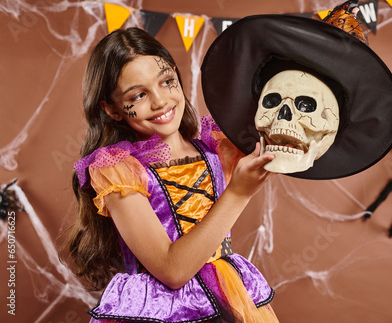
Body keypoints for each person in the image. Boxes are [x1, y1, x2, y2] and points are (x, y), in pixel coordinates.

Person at [62, 27, 279, 323]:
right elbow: (173, 271)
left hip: (230, 296)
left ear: (177, 76)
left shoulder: (218, 145)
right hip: (161, 311)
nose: (160, 101)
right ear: (112, 109)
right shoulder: (118, 171)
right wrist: (239, 193)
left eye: (167, 82)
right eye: (138, 95)